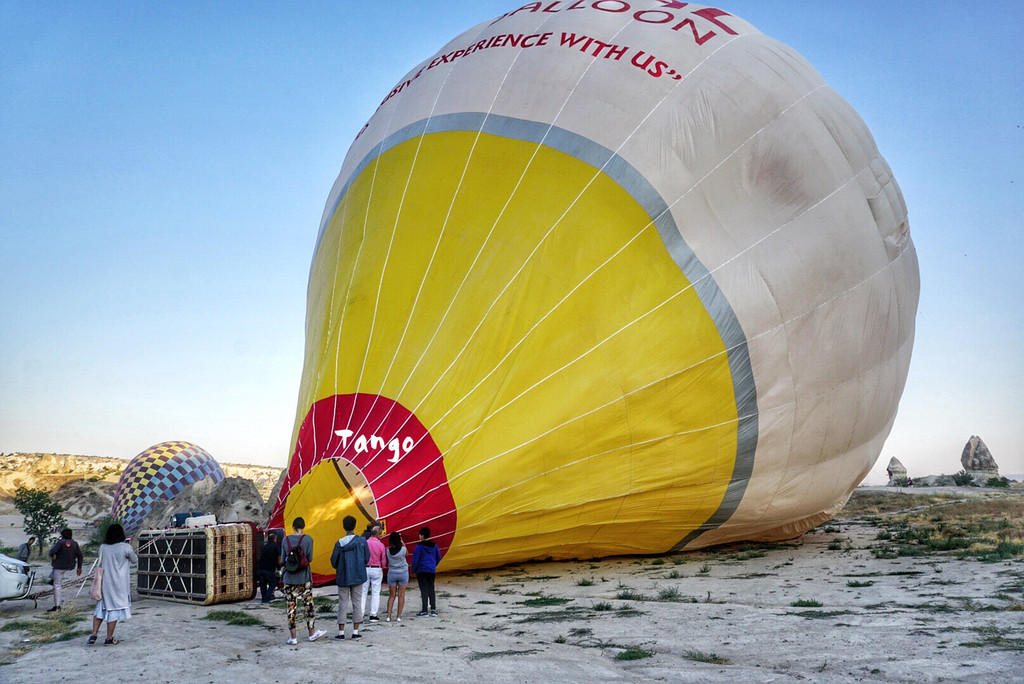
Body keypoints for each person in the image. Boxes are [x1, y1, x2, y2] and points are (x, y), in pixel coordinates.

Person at [87, 523, 137, 645]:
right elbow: (135, 560)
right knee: (114, 610)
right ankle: (109, 638)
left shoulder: (103, 547)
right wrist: (130, 547)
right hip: (119, 584)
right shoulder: (125, 547)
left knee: (101, 608)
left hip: (104, 583)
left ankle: (94, 634)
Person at [280, 517, 326, 645]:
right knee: (308, 605)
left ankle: (293, 637)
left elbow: (283, 559)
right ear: (303, 526)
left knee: (291, 607)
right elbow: (309, 558)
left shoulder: (285, 540)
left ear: (293, 527)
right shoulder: (308, 539)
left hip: (289, 578)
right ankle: (312, 633)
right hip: (304, 578)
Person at [330, 515, 369, 640]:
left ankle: (341, 633)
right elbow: (366, 557)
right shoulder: (362, 541)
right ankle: (355, 631)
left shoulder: (339, 543)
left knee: (342, 604)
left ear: (343, 526)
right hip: (358, 575)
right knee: (357, 603)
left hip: (343, 577)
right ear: (355, 525)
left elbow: (333, 561)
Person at [48, 528, 83, 612]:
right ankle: (51, 579)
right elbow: (80, 556)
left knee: (57, 585)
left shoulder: (60, 542)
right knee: (53, 576)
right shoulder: (75, 543)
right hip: (70, 565)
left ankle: (57, 606)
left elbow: (52, 552)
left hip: (59, 566)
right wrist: (79, 567)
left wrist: (53, 556)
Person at [411, 526, 441, 617]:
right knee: (431, 588)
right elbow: (438, 557)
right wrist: (433, 565)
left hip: (422, 570)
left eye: (420, 535)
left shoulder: (419, 546)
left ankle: (424, 610)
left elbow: (415, 559)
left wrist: (414, 569)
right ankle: (433, 609)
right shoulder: (434, 545)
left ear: (422, 536)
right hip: (431, 570)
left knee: (424, 589)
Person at [360, 523, 386, 621]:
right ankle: (373, 614)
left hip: (366, 568)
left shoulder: (365, 543)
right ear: (378, 534)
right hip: (376, 568)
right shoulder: (381, 545)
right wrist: (382, 567)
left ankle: (361, 614)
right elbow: (383, 560)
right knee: (376, 592)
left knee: (363, 592)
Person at [384, 531, 408, 622]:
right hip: (403, 573)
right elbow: (407, 554)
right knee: (401, 595)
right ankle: (398, 616)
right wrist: (402, 542)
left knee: (392, 595)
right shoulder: (403, 549)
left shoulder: (388, 551)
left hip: (392, 573)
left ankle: (389, 616)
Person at [257, 531, 281, 603]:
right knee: (272, 584)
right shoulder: (276, 547)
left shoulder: (264, 547)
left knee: (263, 584)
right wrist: (279, 567)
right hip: (269, 569)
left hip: (261, 569)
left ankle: (263, 598)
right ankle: (266, 599)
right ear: (275, 539)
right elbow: (279, 560)